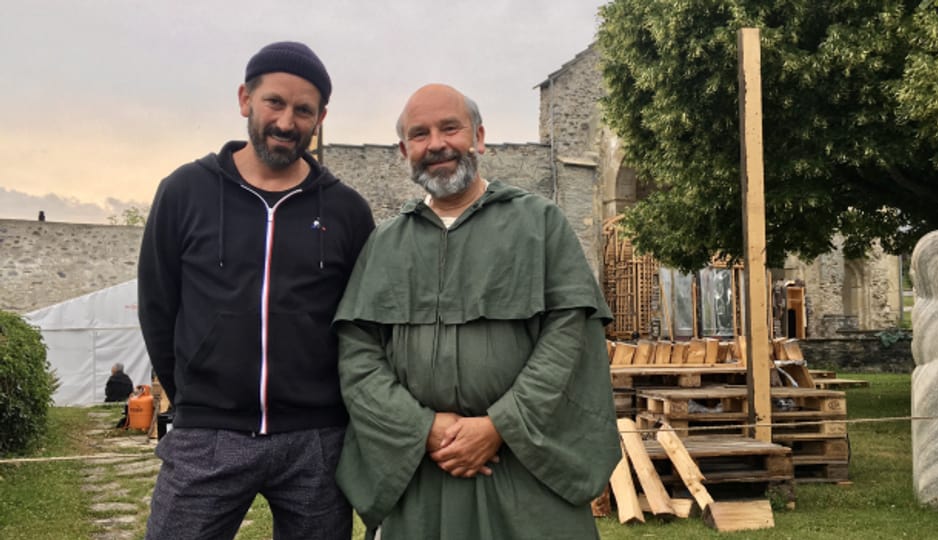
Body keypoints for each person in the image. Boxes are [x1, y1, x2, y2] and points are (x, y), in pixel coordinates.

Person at [334, 84, 620, 540]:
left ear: (479, 137)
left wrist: (499, 425)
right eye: (420, 134)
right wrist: (420, 427)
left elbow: (569, 338)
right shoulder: (384, 244)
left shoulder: (540, 224)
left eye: (450, 128)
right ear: (403, 151)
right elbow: (357, 354)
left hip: (525, 468)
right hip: (418, 470)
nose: (437, 144)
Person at [137, 41, 375, 540]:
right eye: (275, 102)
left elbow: (362, 320)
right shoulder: (184, 192)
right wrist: (194, 398)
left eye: (303, 110)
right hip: (207, 436)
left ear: (321, 118)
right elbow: (158, 306)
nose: (287, 122)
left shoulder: (347, 211)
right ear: (245, 98)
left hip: (316, 439)